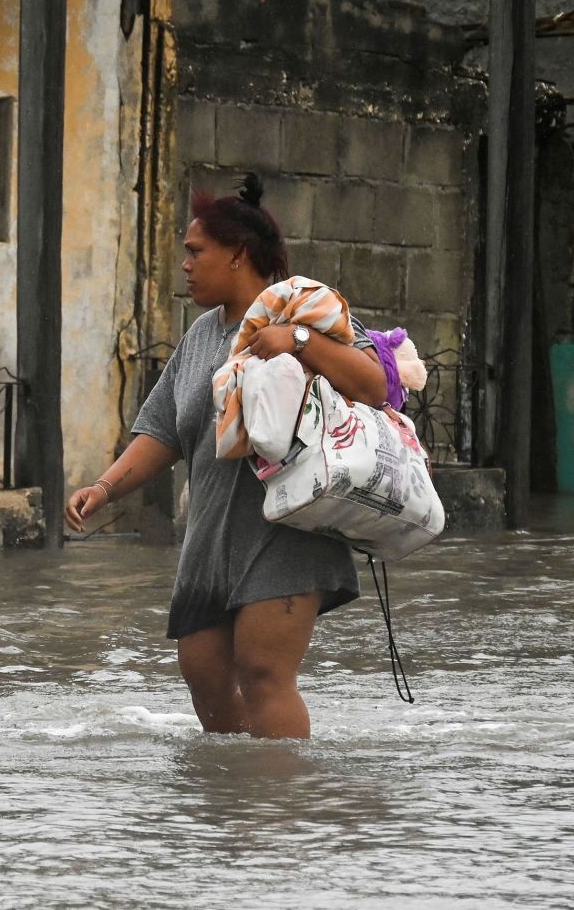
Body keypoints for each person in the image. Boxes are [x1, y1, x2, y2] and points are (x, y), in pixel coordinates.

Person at [65, 177, 388, 740]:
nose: (185, 265)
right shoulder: (199, 337)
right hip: (211, 538)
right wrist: (105, 487)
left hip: (286, 531)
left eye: (196, 252)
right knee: (205, 673)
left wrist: (300, 343)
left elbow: (376, 384)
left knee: (264, 672)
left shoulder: (305, 309)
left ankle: (277, 810)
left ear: (239, 253)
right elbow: (163, 431)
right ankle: (235, 807)